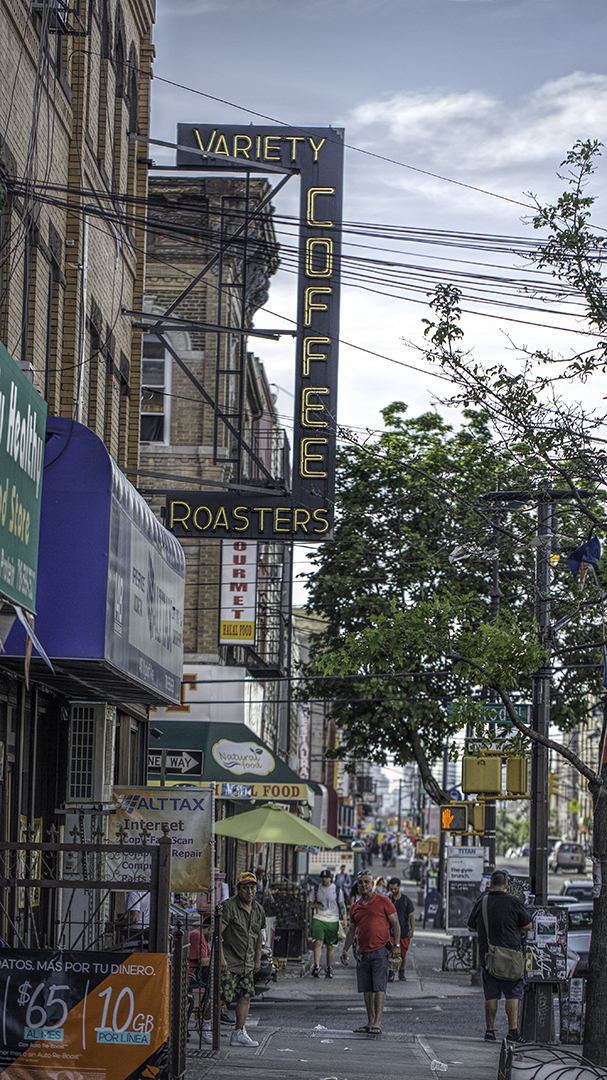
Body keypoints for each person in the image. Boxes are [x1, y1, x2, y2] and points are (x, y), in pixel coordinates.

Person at [467, 870, 532, 1043]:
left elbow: (471, 927)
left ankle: (490, 1031)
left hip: (489, 956)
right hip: (511, 955)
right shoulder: (513, 902)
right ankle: (512, 1032)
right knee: (513, 994)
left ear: (490, 884)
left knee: (491, 995)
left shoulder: (483, 902)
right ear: (506, 885)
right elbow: (528, 924)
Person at [340, 870, 401, 1036]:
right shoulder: (355, 907)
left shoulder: (383, 901)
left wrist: (396, 945)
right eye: (360, 882)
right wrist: (345, 949)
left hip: (380, 950)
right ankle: (370, 1021)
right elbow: (352, 930)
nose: (363, 885)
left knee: (379, 987)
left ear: (372, 884)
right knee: (366, 988)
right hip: (362, 952)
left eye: (366, 882)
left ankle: (377, 1023)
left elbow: (395, 923)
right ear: (357, 886)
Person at [209, 871, 266, 1047]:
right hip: (229, 961)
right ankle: (205, 1023)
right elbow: (216, 933)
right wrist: (221, 959)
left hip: (247, 962)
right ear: (238, 889)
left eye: (252, 888)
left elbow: (258, 936)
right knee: (223, 996)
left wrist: (257, 960)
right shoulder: (229, 907)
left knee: (245, 996)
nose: (249, 892)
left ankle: (239, 1032)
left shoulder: (258, 909)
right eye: (245, 888)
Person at [309, 869, 346, 978]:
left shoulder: (336, 889)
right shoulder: (316, 889)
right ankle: (316, 966)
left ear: (330, 878)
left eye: (326, 878)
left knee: (330, 945)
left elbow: (342, 905)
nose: (324, 880)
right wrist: (316, 906)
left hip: (332, 919)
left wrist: (344, 919)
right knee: (318, 942)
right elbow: (310, 903)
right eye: (322, 878)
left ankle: (329, 967)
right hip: (319, 918)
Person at [387, 878, 415, 981]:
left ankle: (401, 972)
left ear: (399, 887)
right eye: (391, 889)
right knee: (391, 953)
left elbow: (411, 916)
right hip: (390, 932)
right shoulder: (388, 900)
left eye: (395, 888)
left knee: (402, 954)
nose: (393, 891)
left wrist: (412, 929)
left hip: (403, 932)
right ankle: (391, 972)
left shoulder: (406, 900)